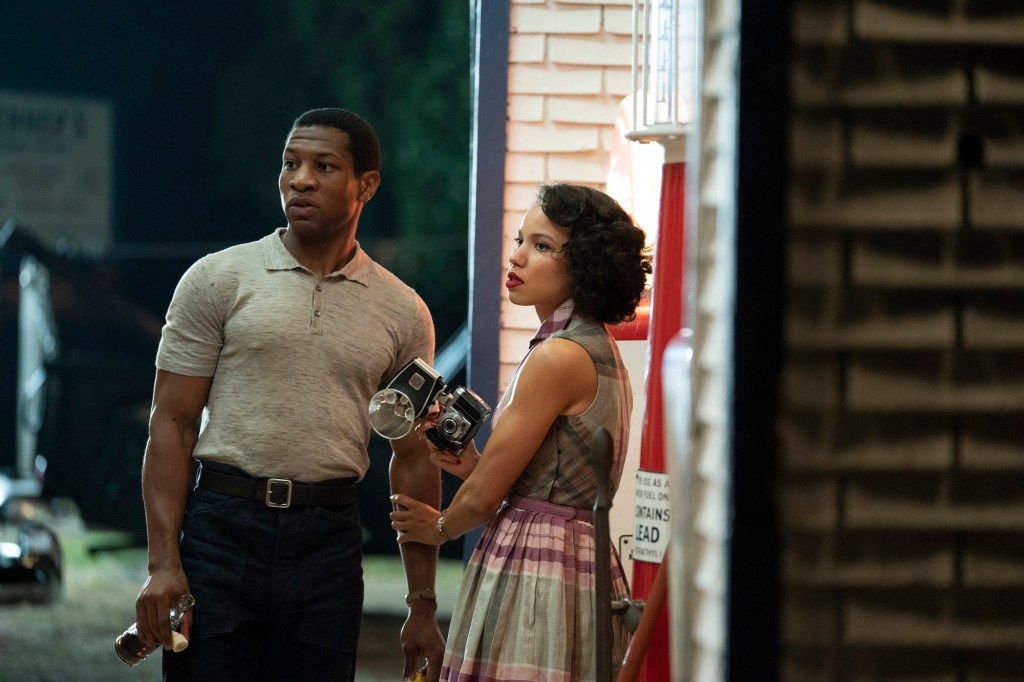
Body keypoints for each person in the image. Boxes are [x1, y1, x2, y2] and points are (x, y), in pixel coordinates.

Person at [133, 107, 446, 681]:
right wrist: (163, 564)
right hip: (221, 530)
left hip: (328, 540)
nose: (300, 179)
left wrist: (421, 603)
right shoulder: (217, 279)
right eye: (290, 163)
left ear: (366, 185)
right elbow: (172, 423)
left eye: (324, 166)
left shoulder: (404, 313)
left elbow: (415, 458)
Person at [391, 183, 652, 681]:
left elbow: (486, 497)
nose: (517, 257)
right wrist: (472, 465)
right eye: (520, 240)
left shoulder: (558, 355)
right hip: (577, 557)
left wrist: (440, 527)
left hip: (538, 563)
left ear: (585, 264)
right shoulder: (594, 346)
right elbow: (539, 475)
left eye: (543, 246)